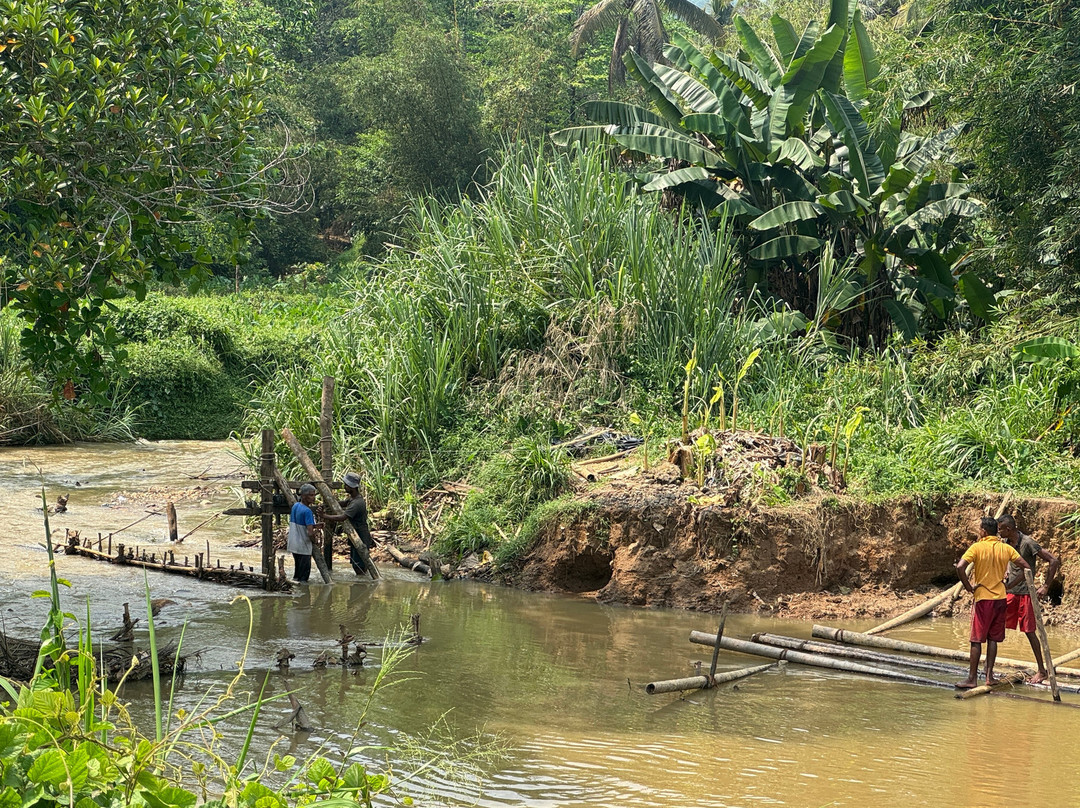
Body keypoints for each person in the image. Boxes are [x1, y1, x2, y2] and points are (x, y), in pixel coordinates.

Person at [955, 516, 1030, 689]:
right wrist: (1009, 585)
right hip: (1001, 599)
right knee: (993, 638)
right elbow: (1026, 567)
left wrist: (968, 587)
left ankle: (972, 678)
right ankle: (989, 677)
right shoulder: (1005, 548)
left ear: (983, 531)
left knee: (976, 639)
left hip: (983, 598)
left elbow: (960, 567)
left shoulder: (977, 547)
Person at [998, 514, 1060, 683]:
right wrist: (1006, 572)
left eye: (1000, 529)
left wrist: (1046, 586)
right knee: (997, 623)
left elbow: (1053, 560)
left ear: (1008, 529)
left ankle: (1042, 670)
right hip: (1011, 592)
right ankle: (989, 671)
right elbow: (1009, 563)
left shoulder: (1028, 543)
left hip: (1026, 593)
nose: (999, 533)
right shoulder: (1006, 543)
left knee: (1029, 631)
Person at [323, 471, 376, 577]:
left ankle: (362, 584)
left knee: (359, 565)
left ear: (352, 487)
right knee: (357, 563)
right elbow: (344, 503)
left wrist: (324, 516)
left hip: (360, 536)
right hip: (356, 535)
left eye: (346, 485)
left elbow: (342, 517)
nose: (344, 486)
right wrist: (329, 504)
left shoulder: (357, 503)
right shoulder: (353, 499)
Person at [287, 483, 318, 583]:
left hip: (294, 545)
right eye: (311, 495)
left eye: (314, 495)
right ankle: (303, 595)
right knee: (304, 579)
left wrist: (316, 525)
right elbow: (309, 533)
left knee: (297, 574)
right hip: (303, 547)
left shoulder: (295, 506)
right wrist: (315, 540)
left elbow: (301, 524)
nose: (314, 498)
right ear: (304, 496)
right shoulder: (308, 511)